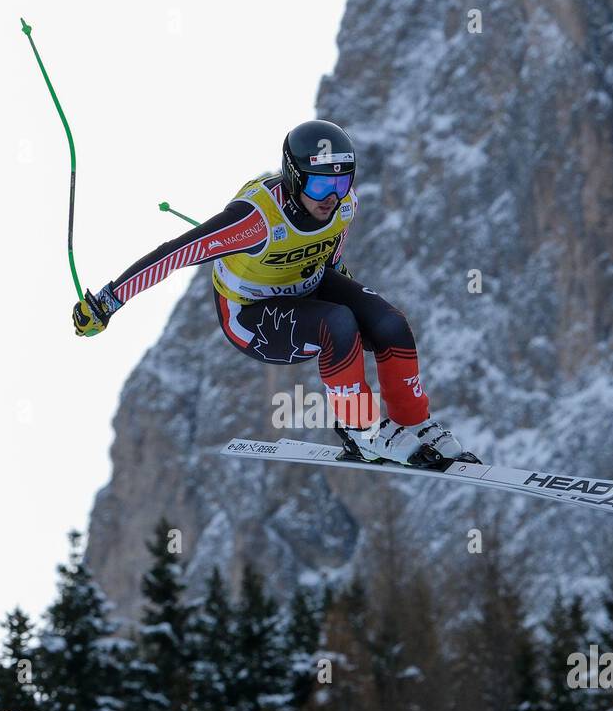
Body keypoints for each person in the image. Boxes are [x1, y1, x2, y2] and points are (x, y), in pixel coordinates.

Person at [72, 119, 472, 467]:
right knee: (338, 323)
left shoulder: (344, 204)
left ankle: (414, 422)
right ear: (295, 178)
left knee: (390, 323)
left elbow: (331, 252)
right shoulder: (254, 220)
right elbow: (174, 254)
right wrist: (108, 302)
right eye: (319, 184)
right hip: (250, 314)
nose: (331, 197)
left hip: (306, 282)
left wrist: (350, 291)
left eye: (341, 180)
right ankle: (361, 429)